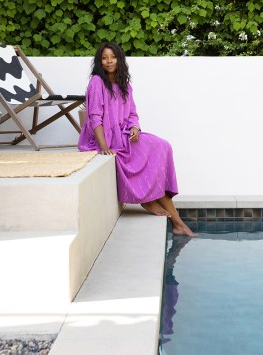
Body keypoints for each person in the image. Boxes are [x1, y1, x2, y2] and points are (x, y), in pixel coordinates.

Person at [78, 42, 197, 237]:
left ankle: (165, 212)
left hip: (125, 133)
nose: (109, 61)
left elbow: (132, 113)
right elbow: (94, 117)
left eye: (113, 57)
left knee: (162, 146)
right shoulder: (97, 83)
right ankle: (175, 221)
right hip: (105, 137)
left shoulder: (125, 84)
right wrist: (104, 146)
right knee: (141, 155)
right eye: (104, 58)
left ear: (119, 59)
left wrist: (134, 127)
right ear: (99, 61)